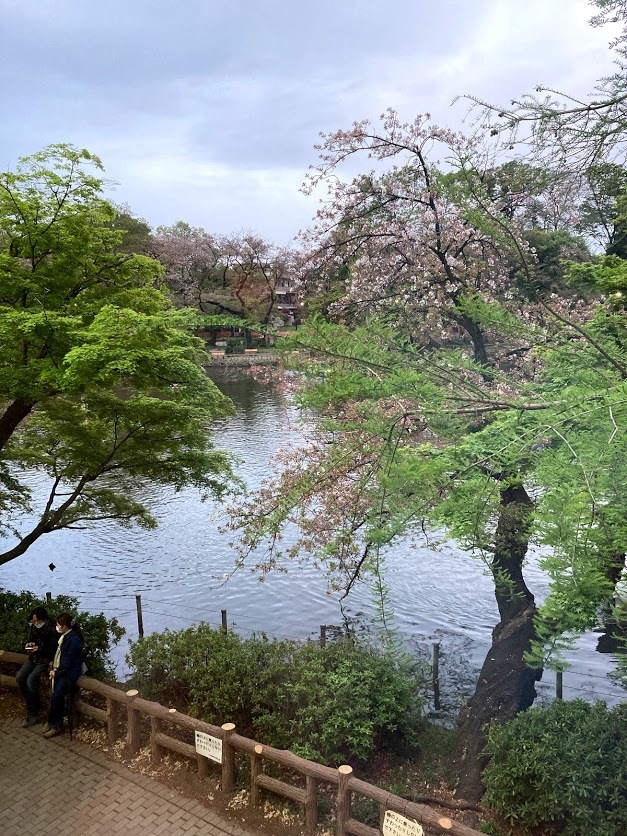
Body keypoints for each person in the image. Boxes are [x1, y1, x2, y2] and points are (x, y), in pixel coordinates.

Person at [16, 606, 59, 728]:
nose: (35, 623)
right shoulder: (34, 627)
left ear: (43, 620)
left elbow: (52, 648)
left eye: (36, 621)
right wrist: (30, 645)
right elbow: (31, 639)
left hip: (44, 659)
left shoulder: (52, 629)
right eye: (33, 621)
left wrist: (39, 649)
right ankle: (30, 701)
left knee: (31, 680)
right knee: (19, 677)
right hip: (33, 657)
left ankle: (33, 710)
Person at [43, 612, 84, 739]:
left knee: (57, 695)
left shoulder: (74, 640)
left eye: (58, 625)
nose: (57, 627)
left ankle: (57, 725)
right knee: (54, 694)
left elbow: (68, 662)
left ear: (64, 626)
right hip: (63, 669)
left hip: (70, 672)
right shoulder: (65, 637)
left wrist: (56, 672)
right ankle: (51, 721)